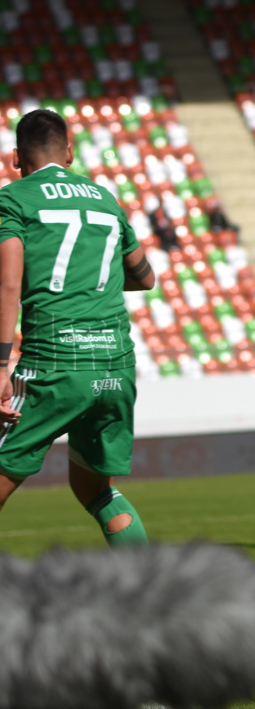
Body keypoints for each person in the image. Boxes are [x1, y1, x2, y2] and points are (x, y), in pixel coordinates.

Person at [0, 109, 156, 545]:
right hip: (114, 366)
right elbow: (145, 277)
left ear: (17, 157)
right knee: (96, 491)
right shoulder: (104, 198)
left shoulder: (13, 199)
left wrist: (0, 366)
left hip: (55, 365)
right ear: (69, 153)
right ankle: (153, 587)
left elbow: (7, 283)